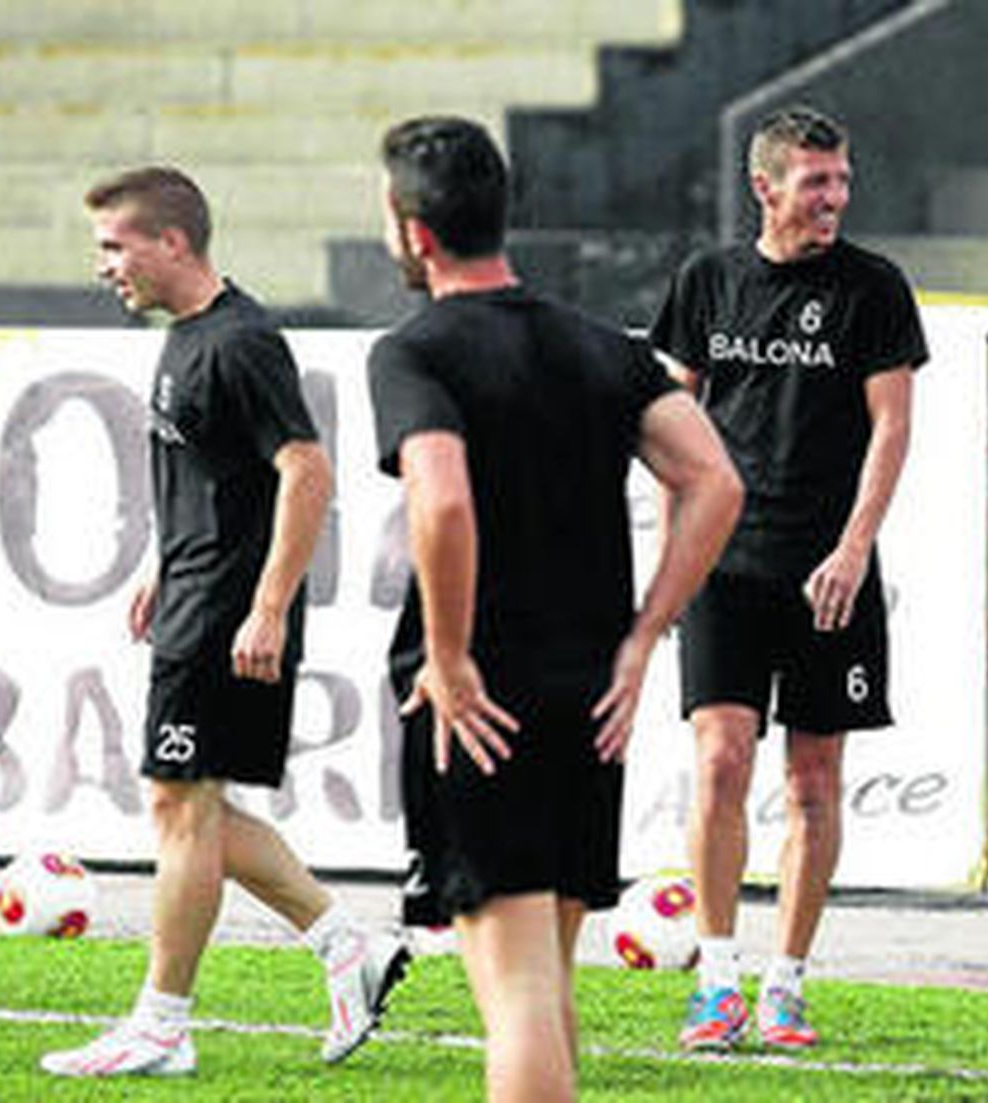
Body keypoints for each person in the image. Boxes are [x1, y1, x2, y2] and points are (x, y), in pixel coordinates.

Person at [368, 116, 741, 1103]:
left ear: (413, 231)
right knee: (546, 973)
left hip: (479, 704)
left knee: (518, 989)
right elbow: (713, 479)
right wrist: (643, 636)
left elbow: (441, 499)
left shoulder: (416, 351)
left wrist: (446, 657)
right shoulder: (597, 348)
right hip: (588, 695)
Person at [41, 167, 410, 1078]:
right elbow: (219, 472)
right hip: (197, 594)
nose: (104, 266)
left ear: (172, 241)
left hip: (228, 610)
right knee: (187, 804)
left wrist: (268, 607)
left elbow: (307, 471)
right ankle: (344, 950)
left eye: (115, 245)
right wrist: (163, 565)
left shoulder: (242, 342)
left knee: (181, 804)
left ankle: (162, 1023)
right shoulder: (189, 336)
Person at [649, 104, 928, 1052]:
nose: (834, 199)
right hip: (726, 565)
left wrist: (853, 547)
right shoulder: (707, 281)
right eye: (816, 183)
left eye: (842, 180)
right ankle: (716, 980)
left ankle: (787, 983)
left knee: (815, 781)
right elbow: (668, 417)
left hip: (828, 573)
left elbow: (891, 426)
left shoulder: (874, 289)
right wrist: (675, 535)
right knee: (721, 759)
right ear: (764, 187)